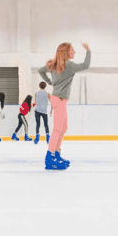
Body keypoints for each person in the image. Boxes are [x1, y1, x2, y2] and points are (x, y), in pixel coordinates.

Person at [38, 42, 91, 170]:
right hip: (59, 99)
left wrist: (51, 82)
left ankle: (56, 154)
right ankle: (49, 157)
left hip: (59, 100)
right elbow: (85, 65)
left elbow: (41, 71)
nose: (74, 52)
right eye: (72, 50)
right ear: (66, 52)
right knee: (57, 129)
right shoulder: (70, 65)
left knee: (64, 127)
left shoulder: (53, 64)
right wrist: (88, 50)